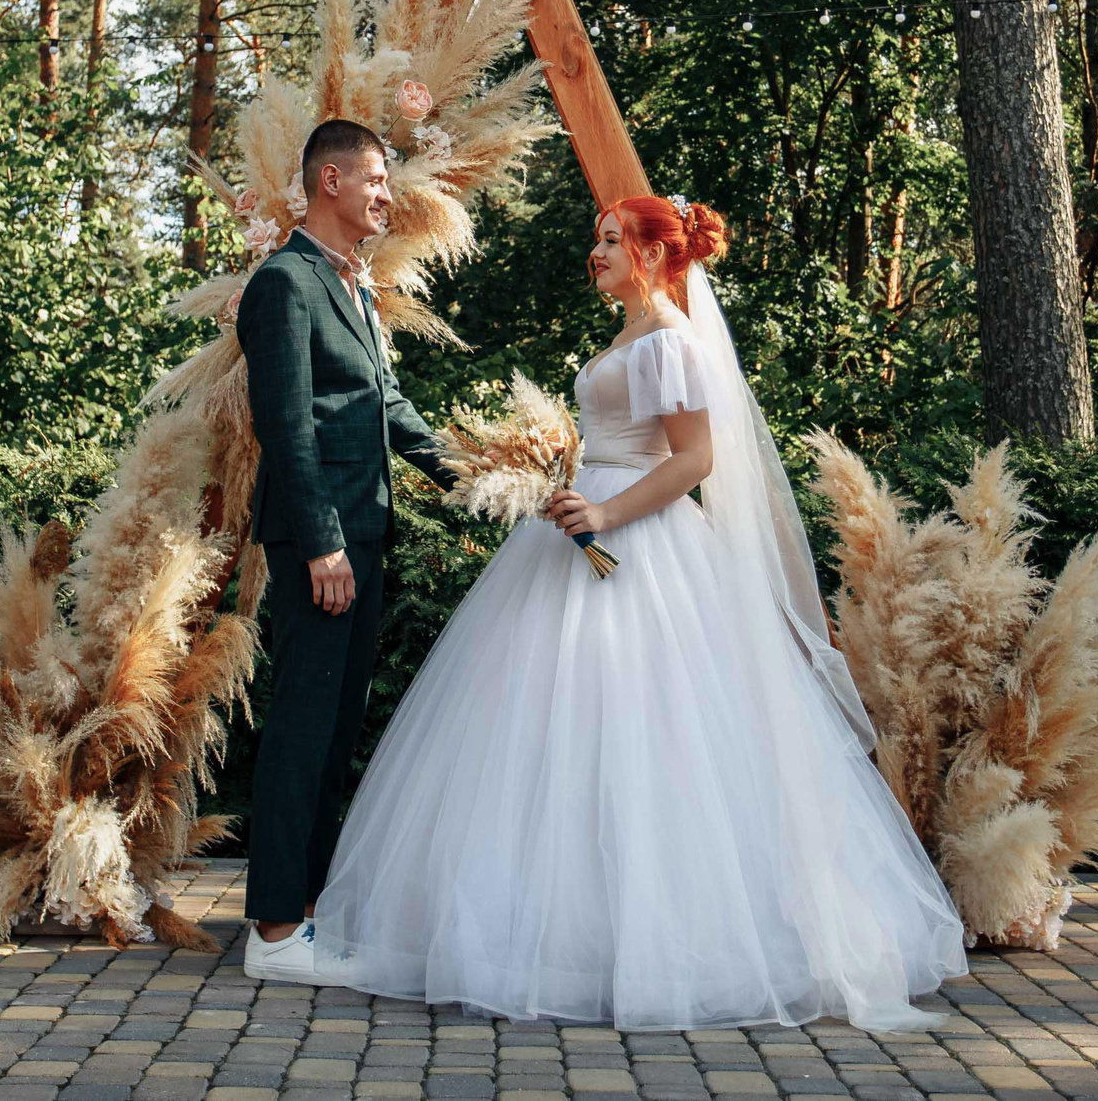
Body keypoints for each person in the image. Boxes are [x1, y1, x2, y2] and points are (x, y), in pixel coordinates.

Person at [303, 196, 970, 1030]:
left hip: (638, 539)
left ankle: (660, 944)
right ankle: (560, 934)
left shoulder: (664, 339)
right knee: (550, 731)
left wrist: (610, 514)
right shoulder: (629, 335)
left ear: (655, 255)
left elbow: (695, 457)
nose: (598, 252)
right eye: (598, 240)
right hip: (585, 523)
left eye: (612, 241)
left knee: (654, 731)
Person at [235, 117, 462, 984]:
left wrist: (479, 476)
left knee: (334, 734)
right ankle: (274, 932)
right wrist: (323, 543)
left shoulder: (353, 285)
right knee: (300, 728)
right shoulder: (285, 286)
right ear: (328, 181)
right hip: (320, 545)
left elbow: (388, 404)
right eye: (373, 178)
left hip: (365, 532)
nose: (385, 194)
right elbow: (286, 429)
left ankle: (310, 914)